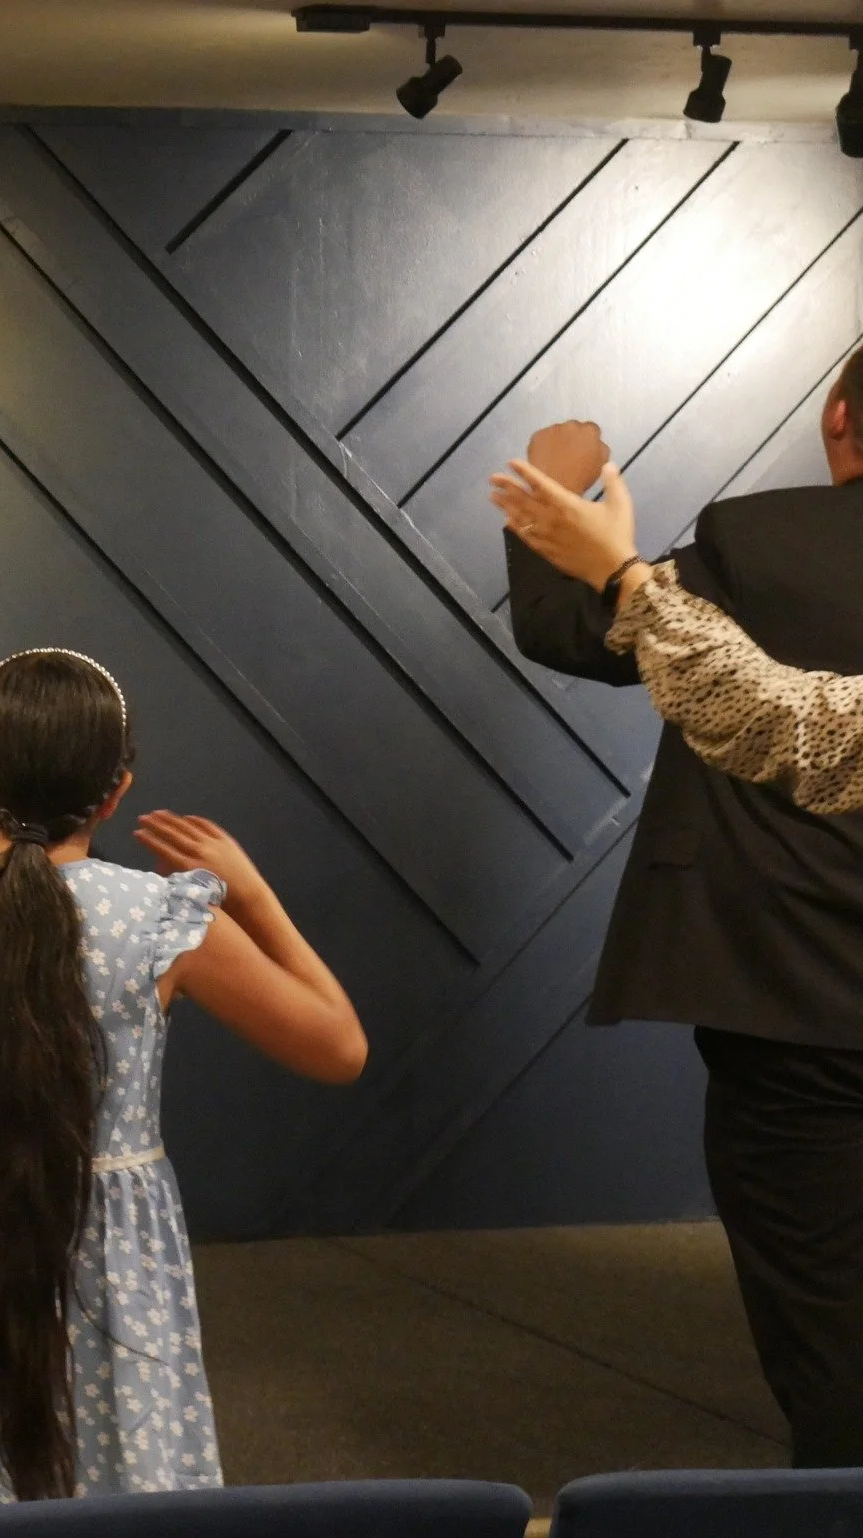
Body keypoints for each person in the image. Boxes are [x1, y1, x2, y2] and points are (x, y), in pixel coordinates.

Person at [0, 649, 365, 1512]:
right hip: (111, 1251)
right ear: (117, 789)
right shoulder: (164, 920)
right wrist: (253, 896)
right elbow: (339, 1046)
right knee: (116, 1476)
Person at [504, 367, 863, 1467]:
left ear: (836, 417)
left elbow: (754, 712)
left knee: (833, 1340)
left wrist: (556, 488)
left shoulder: (755, 539)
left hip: (790, 1003)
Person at [496, 455, 863, 815]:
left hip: (720, 873)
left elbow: (565, 627)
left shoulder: (774, 533)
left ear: (840, 415)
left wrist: (619, 569)